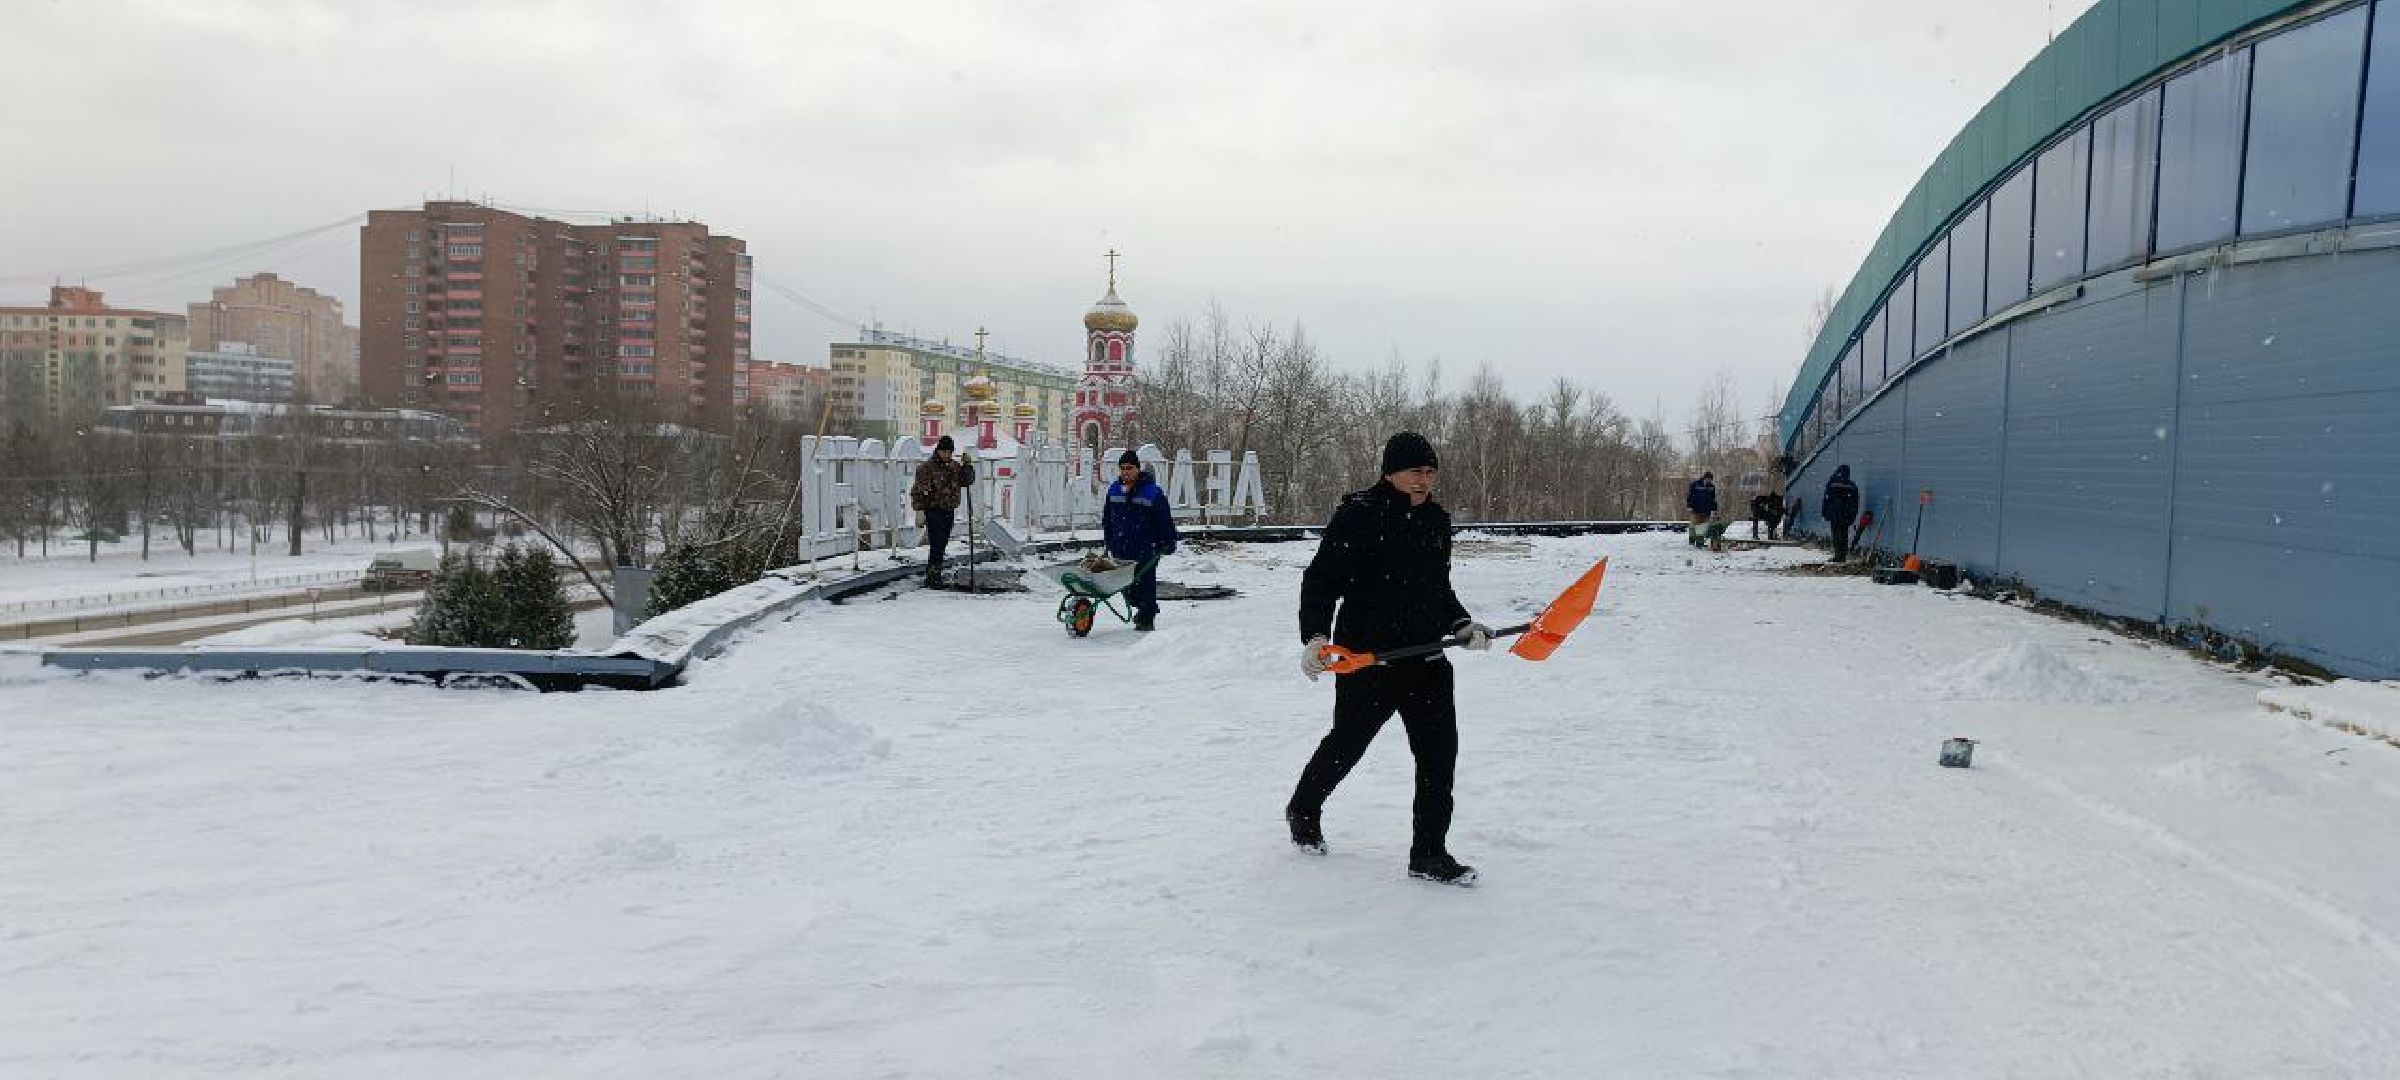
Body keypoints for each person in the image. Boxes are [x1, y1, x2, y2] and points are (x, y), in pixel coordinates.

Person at [1288, 431, 1492, 886]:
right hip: (1368, 660)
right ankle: (1303, 808)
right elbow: (1321, 581)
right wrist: (1316, 637)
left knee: (1439, 758)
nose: (1424, 480)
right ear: (1390, 472)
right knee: (1348, 744)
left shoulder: (1436, 521)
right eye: (1416, 471)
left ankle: (1429, 853)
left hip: (1426, 660)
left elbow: (1438, 587)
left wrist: (1460, 623)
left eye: (1431, 471)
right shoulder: (1357, 517)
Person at [1102, 449, 1178, 631]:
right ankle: (1142, 609)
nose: (1126, 472)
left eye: (1129, 468)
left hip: (1146, 547)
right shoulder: (1113, 490)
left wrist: (1168, 541)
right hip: (1121, 547)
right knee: (1127, 586)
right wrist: (1109, 540)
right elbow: (1107, 518)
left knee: (1145, 582)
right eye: (1122, 468)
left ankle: (1147, 616)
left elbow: (1164, 520)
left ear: (1137, 469)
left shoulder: (1152, 493)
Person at [908, 435, 974, 588]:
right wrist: (919, 510)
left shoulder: (955, 467)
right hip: (933, 510)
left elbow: (967, 481)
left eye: (949, 452)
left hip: (949, 510)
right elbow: (917, 491)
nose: (947, 455)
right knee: (937, 543)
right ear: (938, 450)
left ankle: (934, 572)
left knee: (942, 543)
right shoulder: (926, 468)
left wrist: (967, 466)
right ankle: (933, 575)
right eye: (944, 452)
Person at [1822, 464, 1860, 563]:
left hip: (1834, 512)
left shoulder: (1832, 482)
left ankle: (1837, 555)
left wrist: (1825, 511)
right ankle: (1842, 556)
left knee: (1835, 534)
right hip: (1846, 513)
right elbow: (1855, 502)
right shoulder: (1852, 485)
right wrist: (1852, 515)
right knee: (1844, 534)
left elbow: (1826, 498)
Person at [1686, 471, 1718, 548]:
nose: (1709, 481)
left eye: (1710, 479)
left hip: (1707, 510)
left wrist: (1714, 508)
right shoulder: (1695, 485)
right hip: (1696, 509)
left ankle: (1700, 541)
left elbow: (1713, 498)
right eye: (1708, 479)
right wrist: (1689, 505)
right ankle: (1692, 538)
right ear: (1704, 478)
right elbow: (1690, 496)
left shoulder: (1712, 487)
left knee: (1703, 527)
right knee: (1694, 525)